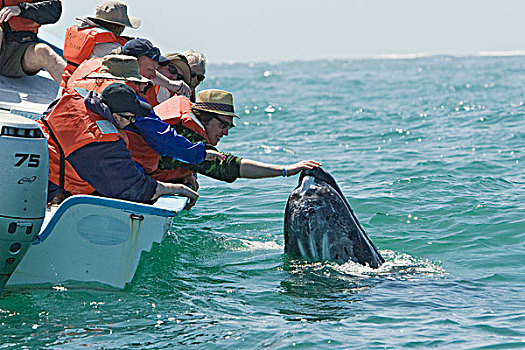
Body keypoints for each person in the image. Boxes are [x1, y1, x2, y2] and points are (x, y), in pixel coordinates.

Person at [63, 54, 224, 183]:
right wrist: (199, 155)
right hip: (100, 168)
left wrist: (190, 168)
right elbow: (161, 136)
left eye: (198, 78)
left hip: (73, 163)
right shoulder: (130, 98)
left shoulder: (88, 88)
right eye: (173, 70)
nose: (181, 79)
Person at [38, 83, 199, 206]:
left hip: (39, 150)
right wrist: (177, 188)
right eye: (130, 118)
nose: (132, 123)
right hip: (45, 185)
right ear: (115, 116)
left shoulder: (75, 97)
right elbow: (133, 189)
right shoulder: (102, 143)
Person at [156, 89, 322, 190]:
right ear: (205, 118)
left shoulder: (185, 127)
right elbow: (230, 166)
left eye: (230, 127)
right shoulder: (187, 137)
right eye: (223, 125)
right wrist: (284, 170)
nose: (226, 132)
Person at [61, 0, 139, 85]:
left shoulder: (82, 31)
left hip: (65, 86)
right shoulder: (112, 47)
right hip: (83, 94)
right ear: (119, 27)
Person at [0, 0, 65, 84]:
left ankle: (76, 92)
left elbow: (53, 10)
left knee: (43, 51)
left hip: (20, 55)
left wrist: (21, 9)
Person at [119, 38, 191, 105]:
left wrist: (169, 84)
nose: (153, 76)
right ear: (132, 64)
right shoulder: (120, 90)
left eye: (155, 70)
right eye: (149, 69)